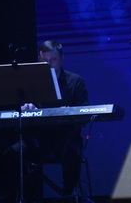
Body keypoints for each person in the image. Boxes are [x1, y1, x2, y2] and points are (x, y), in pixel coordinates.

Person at [14, 40, 89, 202]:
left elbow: (84, 115)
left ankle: (68, 196)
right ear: (39, 59)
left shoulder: (75, 81)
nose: (49, 64)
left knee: (73, 152)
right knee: (14, 153)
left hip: (67, 137)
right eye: (44, 60)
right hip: (39, 138)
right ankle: (27, 197)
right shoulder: (30, 84)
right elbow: (22, 108)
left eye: (53, 60)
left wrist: (69, 113)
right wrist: (26, 107)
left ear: (61, 58)